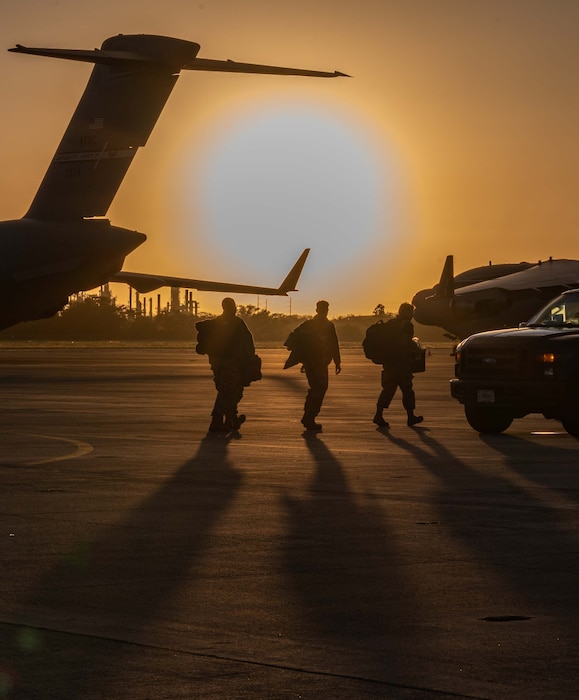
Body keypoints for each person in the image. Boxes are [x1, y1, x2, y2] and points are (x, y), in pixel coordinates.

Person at [285, 299, 341, 431]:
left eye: (325, 309)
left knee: (316, 388)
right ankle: (309, 417)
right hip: (316, 364)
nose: (325, 312)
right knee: (319, 388)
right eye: (324, 309)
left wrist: (337, 361)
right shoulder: (323, 326)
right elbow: (334, 344)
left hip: (317, 363)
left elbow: (333, 344)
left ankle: (308, 415)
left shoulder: (309, 325)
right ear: (318, 310)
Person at [206, 297, 255, 433]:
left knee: (228, 390)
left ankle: (231, 420)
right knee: (229, 392)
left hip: (217, 363)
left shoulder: (216, 322)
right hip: (231, 364)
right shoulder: (236, 323)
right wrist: (250, 358)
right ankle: (217, 420)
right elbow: (248, 340)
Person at [373, 302, 423, 429]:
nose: (412, 315)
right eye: (411, 312)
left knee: (388, 390)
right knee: (407, 390)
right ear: (406, 312)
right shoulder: (407, 325)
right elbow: (405, 342)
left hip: (389, 363)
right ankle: (410, 417)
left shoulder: (391, 324)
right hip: (401, 364)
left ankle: (378, 415)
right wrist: (416, 348)